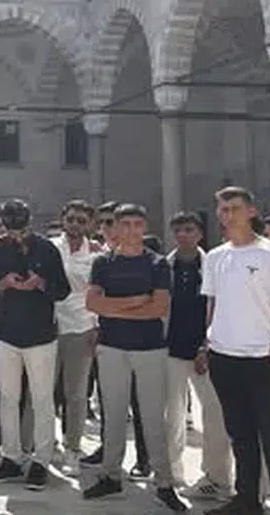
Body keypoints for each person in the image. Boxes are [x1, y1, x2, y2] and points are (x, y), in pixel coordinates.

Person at [203, 186, 270, 515]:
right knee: (240, 436)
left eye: (235, 208)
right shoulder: (216, 256)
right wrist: (207, 342)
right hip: (224, 358)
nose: (228, 215)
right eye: (223, 209)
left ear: (251, 211)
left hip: (263, 361)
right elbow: (213, 304)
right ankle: (247, 501)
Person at [81, 204, 185, 511]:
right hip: (112, 347)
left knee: (153, 418)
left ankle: (164, 483)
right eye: (124, 224)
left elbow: (159, 308)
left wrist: (113, 307)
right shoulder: (103, 262)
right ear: (115, 227)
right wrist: (135, 302)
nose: (130, 231)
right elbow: (92, 303)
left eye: (137, 224)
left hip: (150, 349)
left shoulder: (157, 264)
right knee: (113, 416)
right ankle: (110, 475)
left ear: (144, 227)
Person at [0, 198, 69, 491]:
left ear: (30, 223)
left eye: (21, 228)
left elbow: (62, 290)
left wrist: (40, 283)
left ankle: (41, 460)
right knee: (8, 397)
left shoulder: (46, 248)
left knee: (42, 399)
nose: (16, 234)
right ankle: (12, 456)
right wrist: (4, 283)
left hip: (41, 334)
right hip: (4, 333)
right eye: (11, 228)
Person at [164, 211, 233, 501]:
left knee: (215, 416)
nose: (183, 235)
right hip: (170, 350)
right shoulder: (163, 266)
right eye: (178, 230)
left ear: (200, 234)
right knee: (172, 416)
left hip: (207, 351)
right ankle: (170, 474)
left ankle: (217, 479)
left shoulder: (214, 265)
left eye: (189, 229)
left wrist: (207, 344)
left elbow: (222, 307)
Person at [50, 200, 99, 472]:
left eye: (81, 220)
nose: (75, 225)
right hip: (48, 326)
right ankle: (45, 445)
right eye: (71, 219)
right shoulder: (49, 248)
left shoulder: (97, 254)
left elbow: (100, 292)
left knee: (76, 394)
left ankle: (73, 449)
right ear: (63, 219)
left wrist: (96, 326)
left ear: (89, 224)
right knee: (42, 392)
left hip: (81, 327)